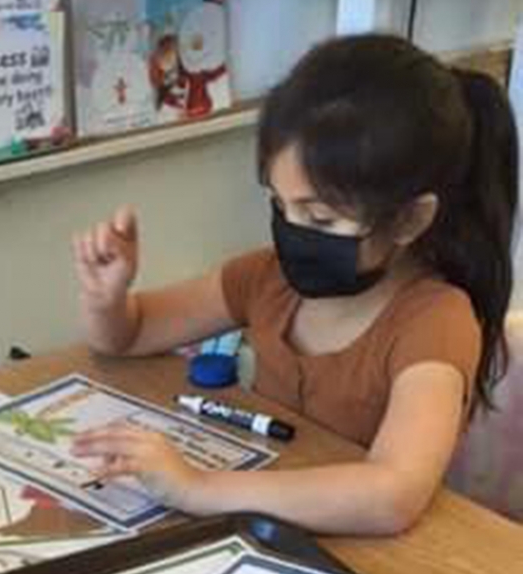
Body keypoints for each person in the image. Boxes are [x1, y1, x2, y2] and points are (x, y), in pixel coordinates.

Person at [72, 34, 518, 535]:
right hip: (265, 526)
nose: (291, 231)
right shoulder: (268, 279)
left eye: (321, 218)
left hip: (368, 560)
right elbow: (129, 335)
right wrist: (106, 299)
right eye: (280, 206)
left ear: (410, 219)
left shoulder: (434, 321)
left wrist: (197, 488)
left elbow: (393, 494)